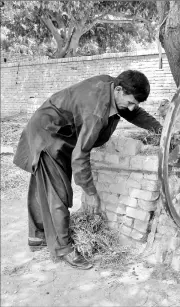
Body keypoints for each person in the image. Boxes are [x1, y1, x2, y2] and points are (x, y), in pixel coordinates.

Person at [13, 70, 162, 270]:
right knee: (58, 192)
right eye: (131, 101)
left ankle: (37, 236)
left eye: (136, 103)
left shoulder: (112, 87)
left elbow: (135, 113)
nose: (132, 107)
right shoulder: (96, 112)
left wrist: (162, 131)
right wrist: (90, 192)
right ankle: (64, 248)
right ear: (118, 90)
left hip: (56, 129)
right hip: (48, 134)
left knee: (43, 184)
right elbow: (80, 155)